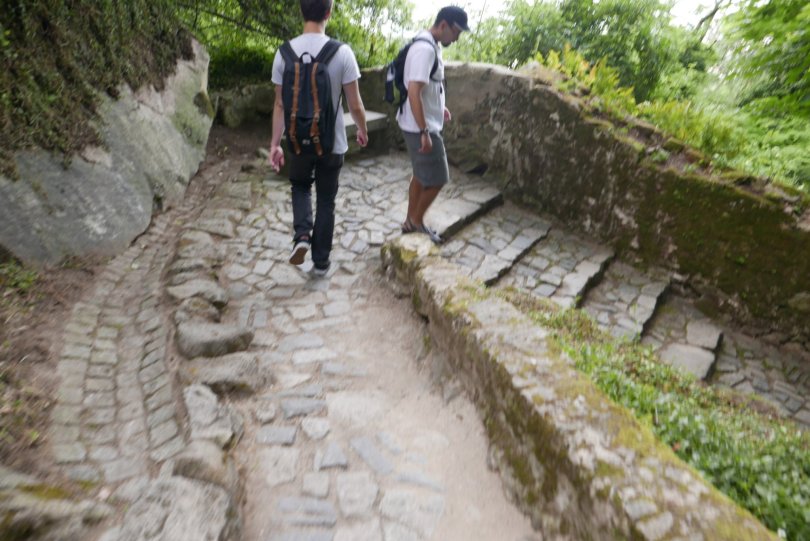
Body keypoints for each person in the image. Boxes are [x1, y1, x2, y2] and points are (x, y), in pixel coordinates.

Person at [269, 0, 369, 276]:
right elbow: (355, 104)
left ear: (301, 11)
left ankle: (302, 235)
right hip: (332, 142)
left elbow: (280, 104)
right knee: (326, 199)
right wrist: (362, 129)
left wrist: (275, 144)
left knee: (300, 186)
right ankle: (321, 262)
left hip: (297, 139)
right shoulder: (342, 53)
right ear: (328, 13)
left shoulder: (283, 54)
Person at [398, 6, 469, 244]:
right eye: (456, 32)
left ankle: (410, 221)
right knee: (438, 178)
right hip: (420, 126)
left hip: (421, 121)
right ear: (443, 25)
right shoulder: (425, 50)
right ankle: (417, 222)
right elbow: (414, 91)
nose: (457, 38)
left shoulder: (430, 44)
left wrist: (440, 107)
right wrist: (424, 132)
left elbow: (429, 86)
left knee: (420, 175)